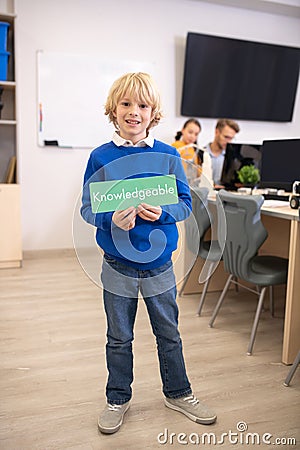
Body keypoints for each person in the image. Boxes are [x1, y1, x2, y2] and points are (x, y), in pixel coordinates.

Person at [80, 72, 217, 435]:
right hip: (117, 265)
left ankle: (178, 392)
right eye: (126, 104)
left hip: (158, 266)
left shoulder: (169, 155)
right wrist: (112, 220)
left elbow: (185, 202)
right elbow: (87, 209)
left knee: (168, 333)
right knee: (119, 337)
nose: (134, 112)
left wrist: (165, 212)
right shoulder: (101, 157)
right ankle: (117, 398)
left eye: (142, 105)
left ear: (153, 112)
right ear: (114, 109)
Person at [172, 118, 213, 188]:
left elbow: (198, 172)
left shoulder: (194, 150)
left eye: (196, 134)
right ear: (183, 130)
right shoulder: (176, 146)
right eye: (190, 132)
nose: (192, 136)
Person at [205, 118, 240, 188]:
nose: (229, 142)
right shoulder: (200, 153)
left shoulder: (232, 159)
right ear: (217, 132)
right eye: (226, 137)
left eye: (231, 138)